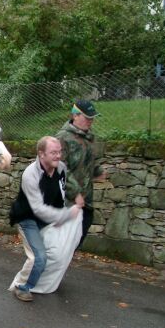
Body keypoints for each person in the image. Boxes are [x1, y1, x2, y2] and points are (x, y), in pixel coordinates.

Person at [9, 136, 83, 302]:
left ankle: (44, 281)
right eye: (53, 153)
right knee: (39, 257)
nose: (58, 156)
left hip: (47, 218)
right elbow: (38, 208)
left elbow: (65, 187)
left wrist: (76, 195)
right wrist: (65, 215)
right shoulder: (30, 174)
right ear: (41, 154)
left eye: (59, 152)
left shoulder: (60, 168)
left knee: (58, 252)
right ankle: (22, 287)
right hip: (28, 220)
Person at [56, 99, 107, 248]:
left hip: (86, 200)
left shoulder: (89, 137)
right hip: (68, 202)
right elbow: (61, 168)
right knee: (64, 243)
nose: (90, 121)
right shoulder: (62, 137)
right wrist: (75, 193)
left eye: (92, 118)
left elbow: (89, 162)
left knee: (78, 237)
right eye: (87, 117)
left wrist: (98, 170)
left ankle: (61, 264)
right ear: (75, 116)